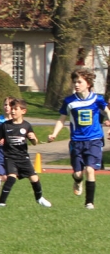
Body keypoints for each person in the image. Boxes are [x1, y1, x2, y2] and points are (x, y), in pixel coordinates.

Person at [47, 68, 110, 209]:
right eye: (74, 82)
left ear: (88, 83)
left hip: (94, 140)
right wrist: (54, 134)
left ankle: (89, 202)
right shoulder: (69, 101)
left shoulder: (97, 99)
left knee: (90, 170)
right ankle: (77, 180)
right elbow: (62, 119)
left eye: (79, 82)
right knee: (78, 173)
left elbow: (107, 112)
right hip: (76, 141)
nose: (76, 84)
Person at [0, 98, 51, 208]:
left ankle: (39, 198)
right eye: (12, 109)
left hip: (23, 157)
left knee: (34, 178)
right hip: (10, 157)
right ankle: (1, 202)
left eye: (15, 109)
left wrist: (33, 138)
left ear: (23, 111)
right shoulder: (5, 125)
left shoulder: (27, 125)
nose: (13, 111)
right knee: (11, 178)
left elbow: (35, 143)